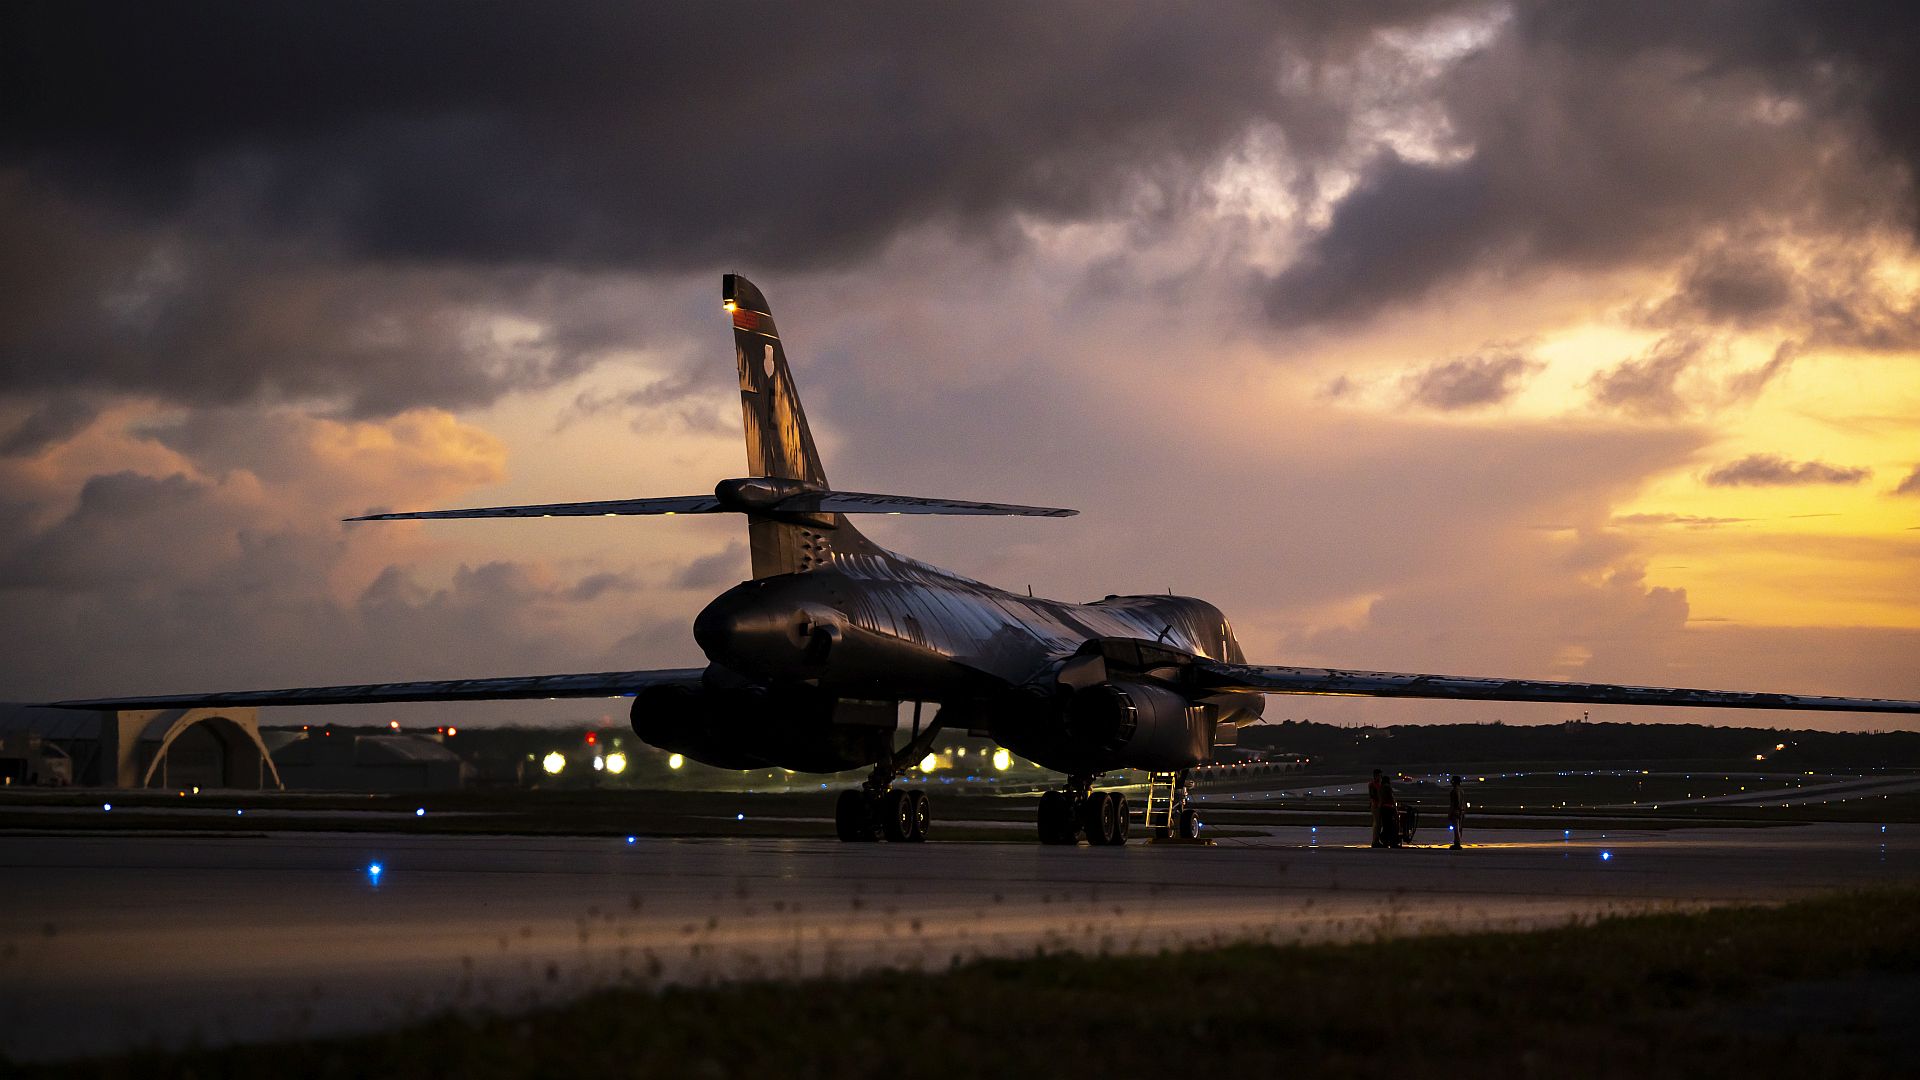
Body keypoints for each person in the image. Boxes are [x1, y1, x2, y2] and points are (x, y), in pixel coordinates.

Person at [1378, 772, 1399, 847]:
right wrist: (1395, 809)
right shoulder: (1388, 787)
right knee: (1390, 825)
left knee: (1385, 825)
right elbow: (1392, 798)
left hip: (1383, 808)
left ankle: (1385, 840)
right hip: (1389, 808)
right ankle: (1389, 840)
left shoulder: (1381, 788)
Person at [1367, 769, 1384, 847]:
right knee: (1377, 823)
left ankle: (1376, 840)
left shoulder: (1377, 783)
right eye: (1379, 776)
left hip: (1377, 805)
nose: (1380, 777)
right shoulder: (1373, 784)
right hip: (1376, 805)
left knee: (1378, 824)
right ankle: (1375, 841)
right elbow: (1374, 795)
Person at [1448, 775, 1465, 849]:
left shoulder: (1455, 791)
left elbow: (1455, 803)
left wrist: (1450, 813)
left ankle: (1457, 843)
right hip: (1461, 811)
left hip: (1456, 811)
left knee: (1456, 828)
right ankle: (1458, 842)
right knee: (1459, 828)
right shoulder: (1461, 790)